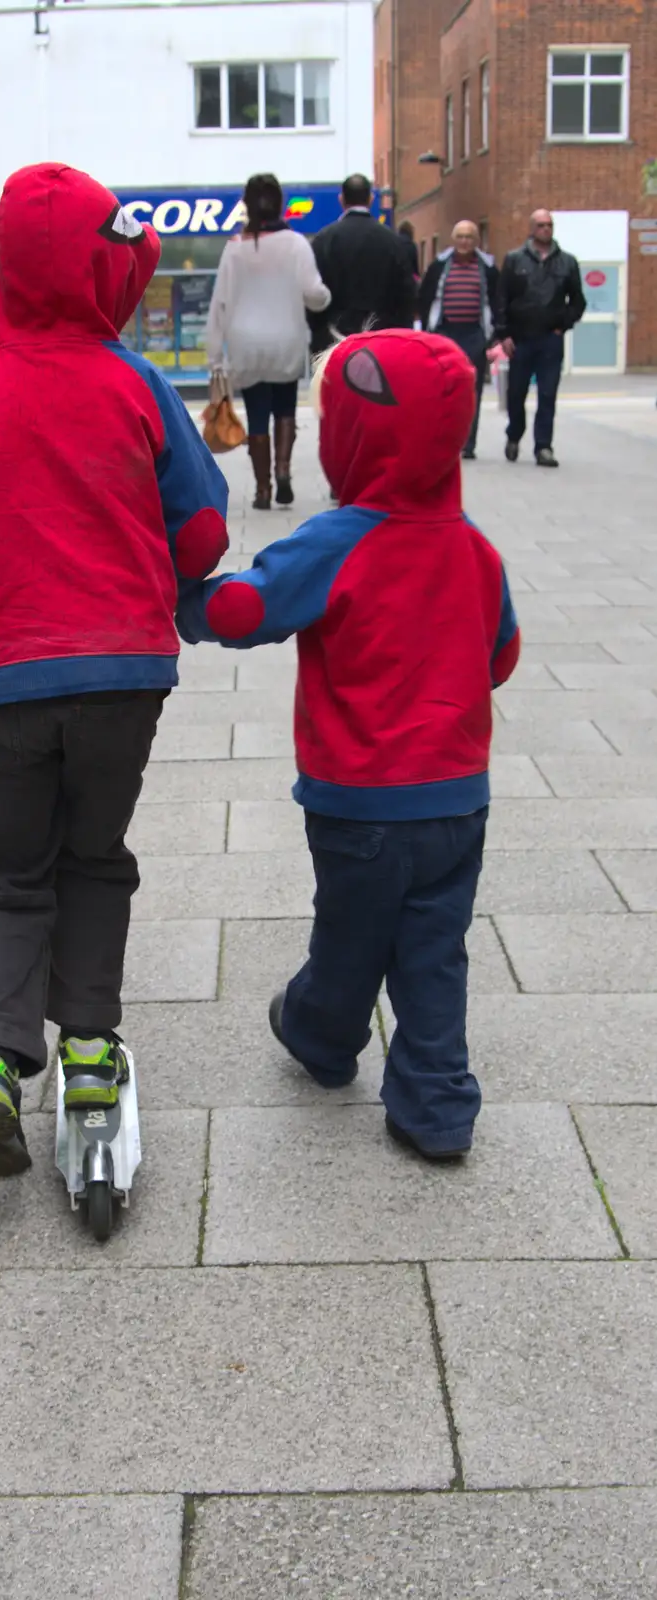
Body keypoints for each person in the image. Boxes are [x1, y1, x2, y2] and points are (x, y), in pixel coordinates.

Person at [0, 162, 229, 1180]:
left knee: (2, 873)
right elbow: (203, 531)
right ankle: (87, 1052)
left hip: (4, 684)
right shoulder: (134, 385)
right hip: (126, 678)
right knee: (92, 857)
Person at [178, 329, 520, 1160]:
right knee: (434, 952)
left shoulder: (339, 539)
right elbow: (500, 656)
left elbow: (245, 612)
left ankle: (320, 1036)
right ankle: (436, 1107)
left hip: (360, 801)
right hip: (455, 802)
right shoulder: (473, 547)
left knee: (350, 936)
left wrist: (181, 598)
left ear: (349, 433)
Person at [206, 174, 330, 511]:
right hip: (286, 337)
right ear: (280, 203)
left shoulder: (234, 248)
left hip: (245, 343)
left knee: (258, 413)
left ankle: (263, 489)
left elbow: (220, 304)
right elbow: (315, 294)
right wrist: (325, 297)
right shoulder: (296, 243)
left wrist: (214, 355)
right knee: (285, 406)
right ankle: (284, 471)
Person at [497, 208, 585, 468]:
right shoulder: (514, 260)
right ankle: (514, 434)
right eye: (541, 225)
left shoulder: (567, 262)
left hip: (550, 339)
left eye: (549, 225)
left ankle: (543, 446)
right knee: (516, 395)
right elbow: (502, 298)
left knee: (547, 394)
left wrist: (563, 324)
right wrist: (504, 334)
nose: (546, 229)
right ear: (532, 228)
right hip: (521, 339)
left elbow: (577, 301)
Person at [419, 220, 499, 459]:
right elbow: (425, 299)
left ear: (476, 241)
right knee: (442, 388)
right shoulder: (439, 267)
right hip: (445, 332)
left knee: (471, 391)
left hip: (474, 334)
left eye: (469, 237)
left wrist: (494, 335)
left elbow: (496, 301)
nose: (465, 242)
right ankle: (444, 439)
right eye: (460, 237)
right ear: (453, 240)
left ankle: (468, 443)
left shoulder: (488, 269)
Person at [307, 175, 415, 353]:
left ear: (341, 200)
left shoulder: (324, 240)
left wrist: (318, 339)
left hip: (335, 342)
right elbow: (405, 295)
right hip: (381, 341)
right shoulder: (392, 241)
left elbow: (314, 293)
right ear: (371, 199)